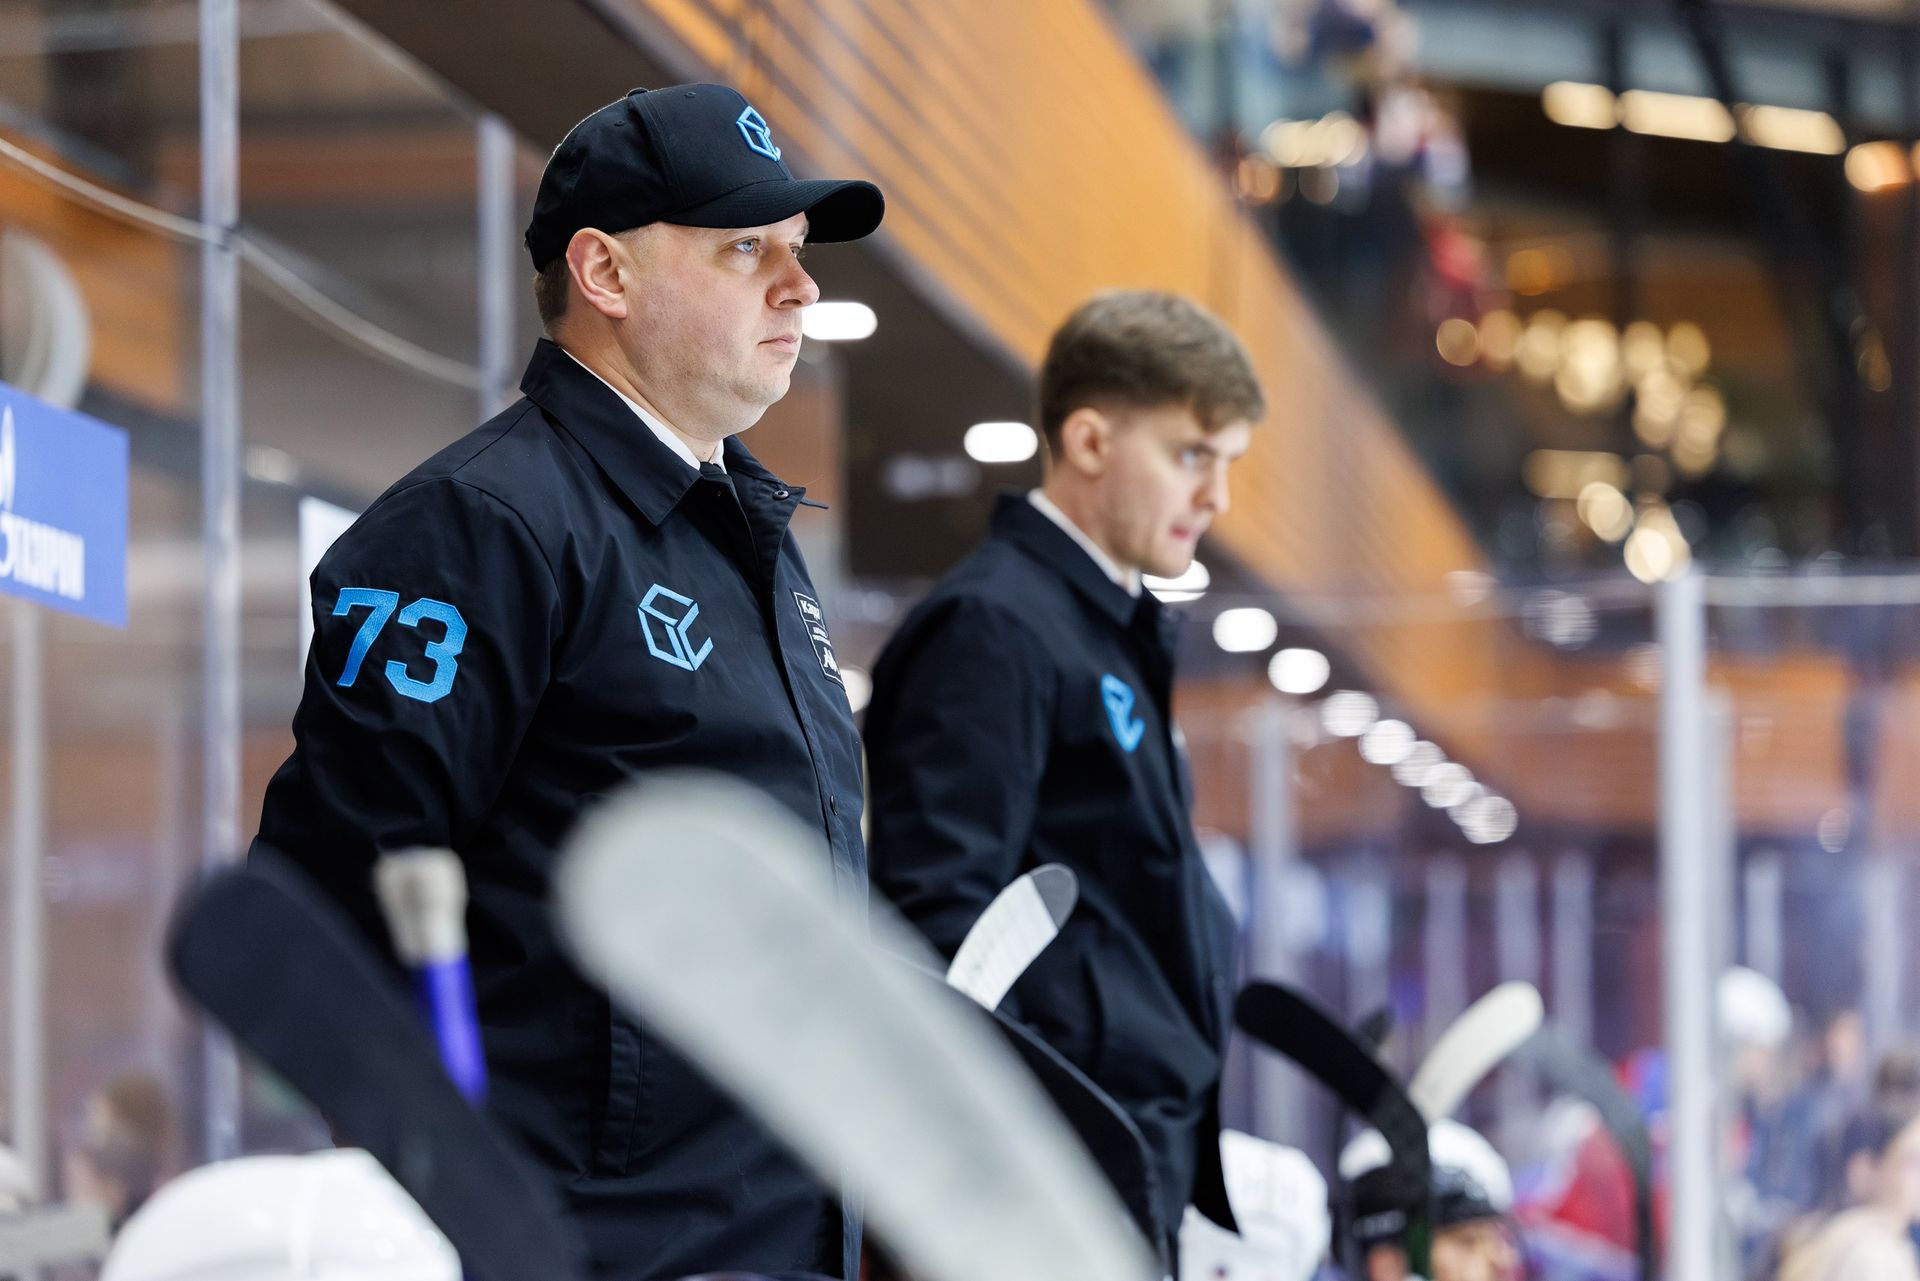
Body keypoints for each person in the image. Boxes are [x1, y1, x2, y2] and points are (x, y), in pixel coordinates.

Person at [252, 84, 882, 1280]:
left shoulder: (752, 540)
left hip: (781, 1241)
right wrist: (462, 1219)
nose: (799, 286)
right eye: (745, 248)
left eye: (798, 250)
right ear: (604, 273)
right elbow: (316, 923)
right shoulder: (477, 529)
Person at [864, 289, 1263, 1246]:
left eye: (1228, 462)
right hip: (1059, 1181)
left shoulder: (1106, 631)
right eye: (1191, 454)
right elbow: (939, 927)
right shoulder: (995, 627)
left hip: (1127, 1163)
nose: (1216, 496)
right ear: (1088, 441)